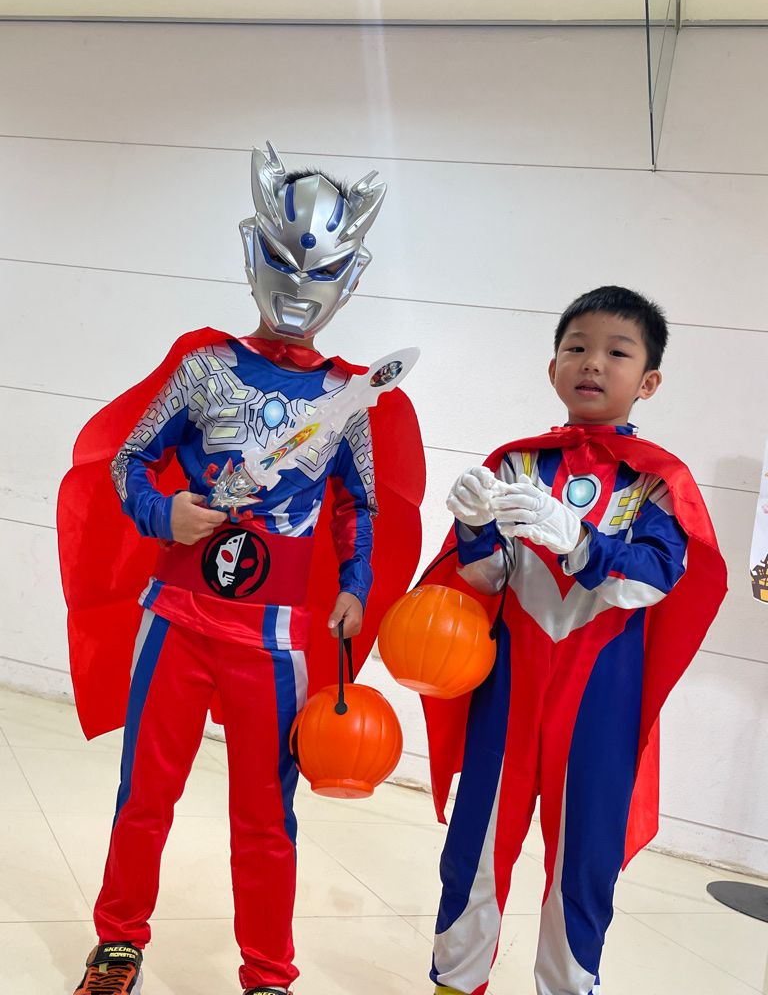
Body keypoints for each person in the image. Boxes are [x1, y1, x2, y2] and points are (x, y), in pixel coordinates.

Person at [57, 142, 424, 995]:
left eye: (321, 269)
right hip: (178, 619)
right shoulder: (204, 368)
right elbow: (129, 461)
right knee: (145, 795)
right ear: (253, 252)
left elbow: (360, 506)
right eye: (285, 261)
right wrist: (164, 513)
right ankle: (118, 944)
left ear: (350, 277)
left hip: (274, 638)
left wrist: (357, 587)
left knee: (265, 815)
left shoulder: (352, 397)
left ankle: (268, 974)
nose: (299, 285)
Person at [420, 286, 727, 995]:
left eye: (617, 352)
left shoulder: (658, 480)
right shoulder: (516, 463)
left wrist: (580, 541)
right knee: (475, 849)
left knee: (582, 865)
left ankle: (567, 987)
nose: (592, 363)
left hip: (600, 699)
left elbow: (655, 576)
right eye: (576, 348)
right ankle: (453, 983)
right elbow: (488, 578)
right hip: (507, 685)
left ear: (648, 381)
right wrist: (472, 529)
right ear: (552, 366)